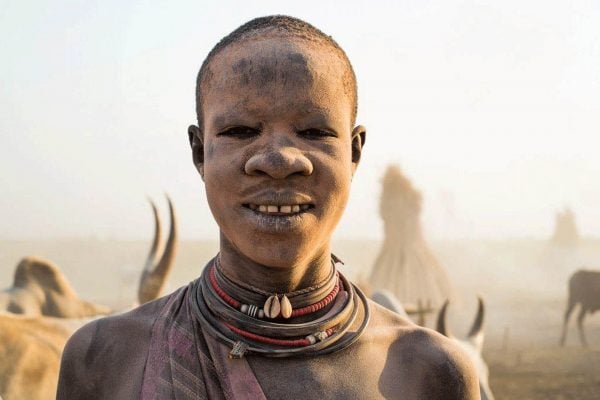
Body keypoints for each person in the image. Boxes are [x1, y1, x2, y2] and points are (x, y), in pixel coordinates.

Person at [57, 15, 479, 399]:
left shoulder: (432, 372)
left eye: (314, 130)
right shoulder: (103, 359)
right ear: (199, 153)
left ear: (353, 153)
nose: (278, 160)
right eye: (240, 130)